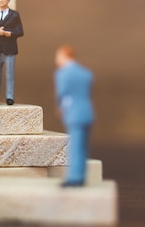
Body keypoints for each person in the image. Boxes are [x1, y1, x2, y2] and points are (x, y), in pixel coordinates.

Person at [55, 45, 94, 187]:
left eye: (58, 56)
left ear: (66, 56)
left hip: (74, 113)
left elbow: (62, 93)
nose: (56, 59)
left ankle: (75, 178)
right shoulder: (85, 73)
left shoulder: (63, 73)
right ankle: (81, 175)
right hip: (87, 112)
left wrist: (62, 108)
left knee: (75, 147)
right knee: (83, 147)